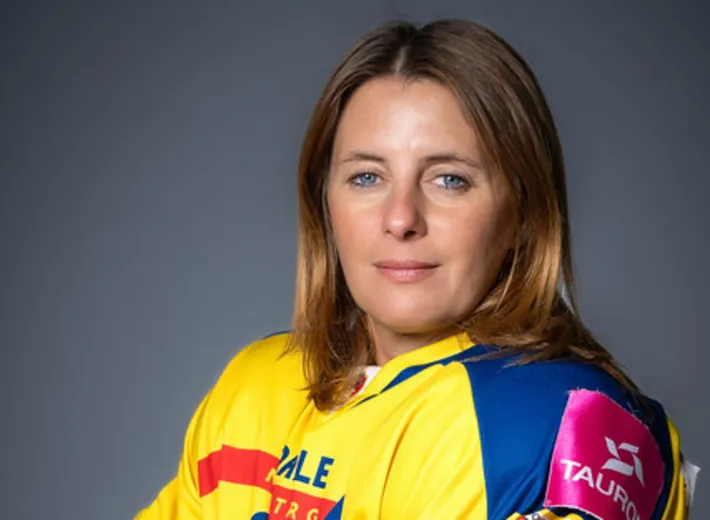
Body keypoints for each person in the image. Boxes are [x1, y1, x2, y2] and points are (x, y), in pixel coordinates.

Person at [135, 19, 697, 519]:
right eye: (367, 177)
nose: (401, 218)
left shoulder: (563, 428)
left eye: (449, 179)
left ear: (523, 211)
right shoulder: (255, 386)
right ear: (323, 201)